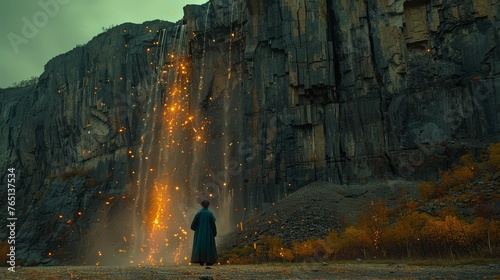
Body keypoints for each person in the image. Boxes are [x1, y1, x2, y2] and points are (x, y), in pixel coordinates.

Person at [190, 199, 217, 267]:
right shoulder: (210, 214)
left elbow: (193, 226)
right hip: (209, 233)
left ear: (202, 205)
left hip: (199, 234)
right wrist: (214, 232)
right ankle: (209, 261)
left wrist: (198, 230)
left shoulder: (198, 213)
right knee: (208, 246)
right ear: (208, 205)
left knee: (200, 246)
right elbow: (213, 224)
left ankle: (201, 260)